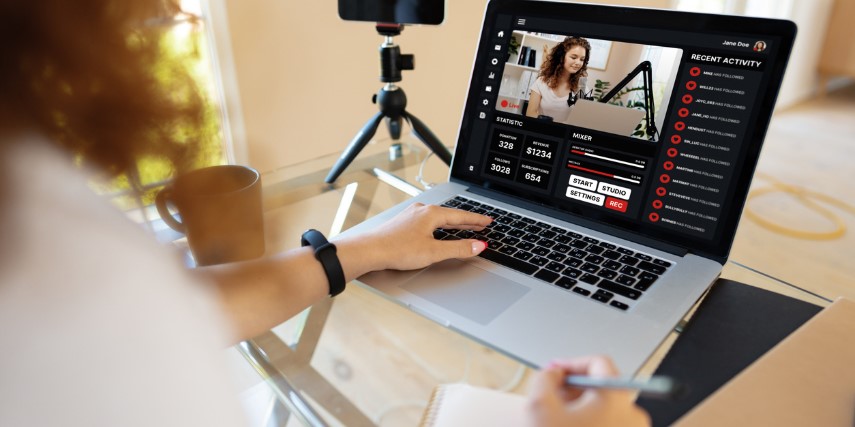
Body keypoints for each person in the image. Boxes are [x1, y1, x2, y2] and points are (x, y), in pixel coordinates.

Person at [0, 1, 648, 425]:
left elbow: (159, 310)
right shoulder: (48, 280)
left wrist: (360, 248)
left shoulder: (37, 205)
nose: (177, 11)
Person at [525, 36, 591, 124]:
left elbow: (582, 120)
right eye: (574, 57)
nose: (578, 63)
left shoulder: (583, 88)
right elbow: (530, 113)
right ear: (562, 57)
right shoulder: (541, 82)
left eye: (582, 59)